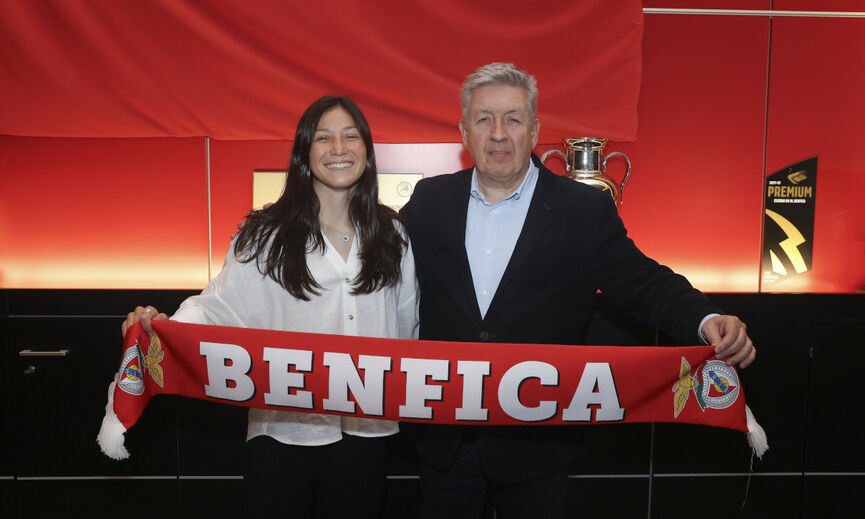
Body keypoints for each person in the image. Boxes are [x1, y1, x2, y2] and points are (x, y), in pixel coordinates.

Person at [399, 62, 755, 519]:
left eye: (513, 118)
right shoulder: (430, 200)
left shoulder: (583, 209)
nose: (499, 133)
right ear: (465, 131)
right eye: (484, 119)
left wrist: (706, 319)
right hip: (447, 439)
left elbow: (643, 282)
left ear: (535, 130)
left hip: (538, 438)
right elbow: (377, 266)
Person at [122, 95, 418, 519]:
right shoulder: (265, 236)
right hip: (282, 434)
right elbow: (215, 309)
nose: (339, 148)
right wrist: (165, 330)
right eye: (323, 138)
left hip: (367, 432)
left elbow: (407, 327)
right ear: (303, 152)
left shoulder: (394, 234)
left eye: (351, 136)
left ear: (368, 151)